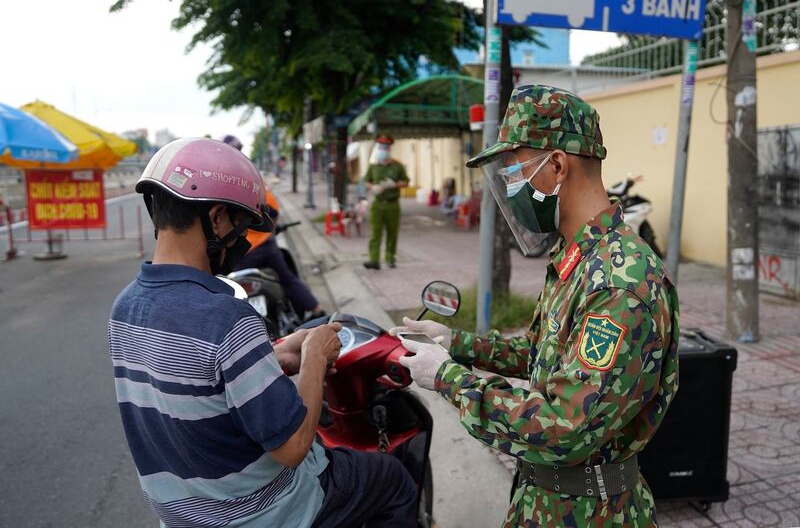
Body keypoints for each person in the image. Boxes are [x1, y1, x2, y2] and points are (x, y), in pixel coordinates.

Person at [392, 85, 680, 527]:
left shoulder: (621, 283)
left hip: (591, 513)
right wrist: (456, 343)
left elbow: (565, 426)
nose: (509, 187)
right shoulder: (579, 257)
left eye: (514, 171)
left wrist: (449, 378)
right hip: (545, 502)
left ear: (558, 166)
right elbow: (545, 355)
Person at [108, 137, 416, 528]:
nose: (243, 240)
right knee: (392, 479)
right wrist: (316, 358)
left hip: (181, 513)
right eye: (242, 226)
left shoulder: (124, 307)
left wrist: (278, 358)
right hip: (261, 511)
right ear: (217, 218)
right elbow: (292, 448)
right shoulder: (228, 317)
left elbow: (198, 386)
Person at [220, 135, 324, 319]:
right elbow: (273, 211)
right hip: (266, 247)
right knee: (288, 278)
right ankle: (316, 311)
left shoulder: (217, 181)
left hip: (238, 253)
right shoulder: (252, 177)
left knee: (227, 291)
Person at [363, 134, 409, 269]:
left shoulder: (397, 166)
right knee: (375, 233)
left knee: (392, 233)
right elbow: (366, 181)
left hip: (392, 204)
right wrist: (373, 187)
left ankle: (390, 258)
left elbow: (406, 182)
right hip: (377, 204)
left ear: (389, 149)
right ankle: (374, 260)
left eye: (386, 147)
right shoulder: (373, 166)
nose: (383, 149)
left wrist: (394, 185)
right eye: (381, 146)